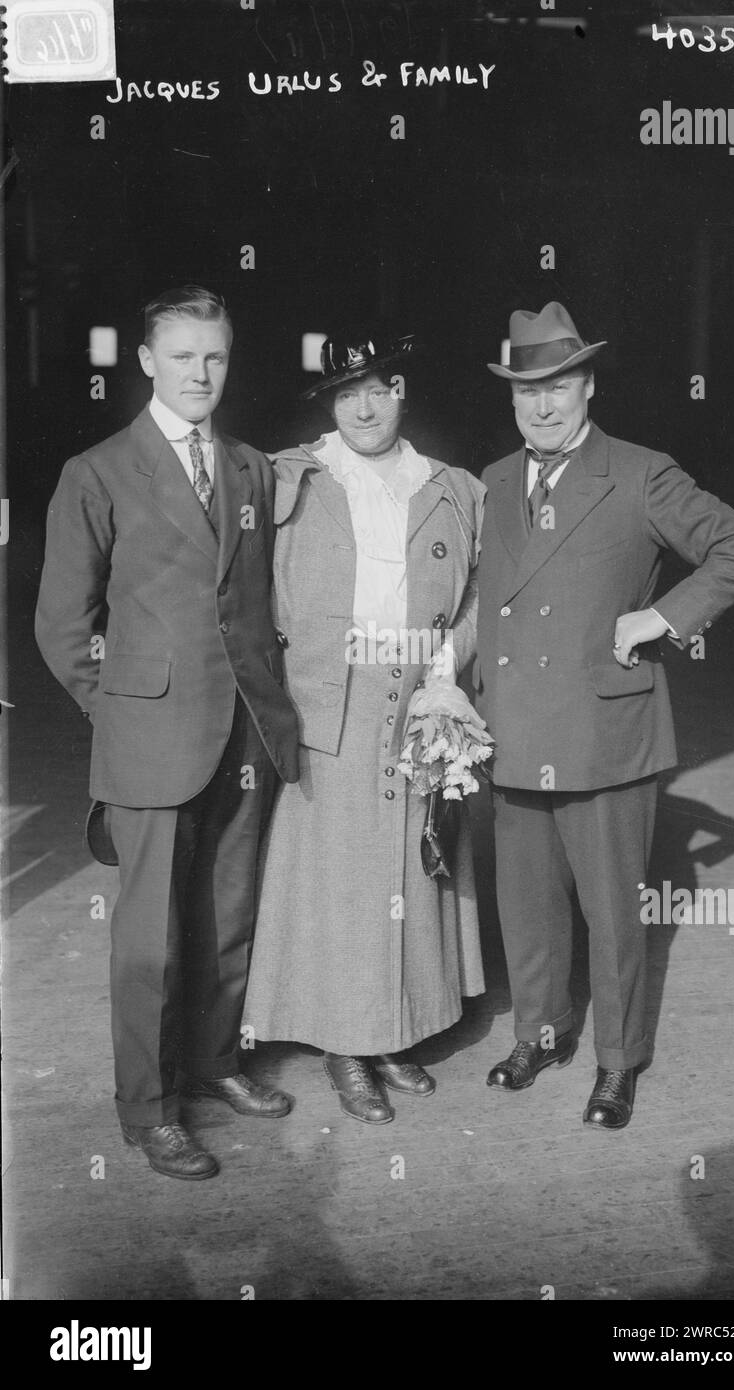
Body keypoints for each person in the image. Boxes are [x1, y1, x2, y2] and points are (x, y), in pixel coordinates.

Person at [475, 302, 734, 1130]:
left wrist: (662, 619)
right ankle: (542, 1034)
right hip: (516, 729)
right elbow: (484, 601)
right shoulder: (495, 480)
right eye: (526, 390)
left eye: (559, 385)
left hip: (605, 733)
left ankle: (616, 1063)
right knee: (527, 908)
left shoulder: (642, 472)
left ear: (588, 385)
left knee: (614, 915)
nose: (542, 405)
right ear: (511, 398)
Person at [35, 285, 300, 1179]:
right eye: (182, 356)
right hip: (149, 740)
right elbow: (61, 627)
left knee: (227, 918)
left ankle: (215, 1064)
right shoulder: (98, 471)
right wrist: (118, 713)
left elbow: (253, 604)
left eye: (215, 356)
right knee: (148, 939)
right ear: (146, 361)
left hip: (246, 736)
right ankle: (149, 1111)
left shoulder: (252, 468)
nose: (201, 373)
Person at [242, 331, 486, 1124]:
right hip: (327, 701)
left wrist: (448, 670)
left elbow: (484, 584)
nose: (364, 407)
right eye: (347, 395)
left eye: (378, 389)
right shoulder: (291, 479)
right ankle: (347, 1045)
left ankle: (393, 1032)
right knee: (344, 883)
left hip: (419, 693)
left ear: (402, 391)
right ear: (330, 405)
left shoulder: (451, 487)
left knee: (409, 874)